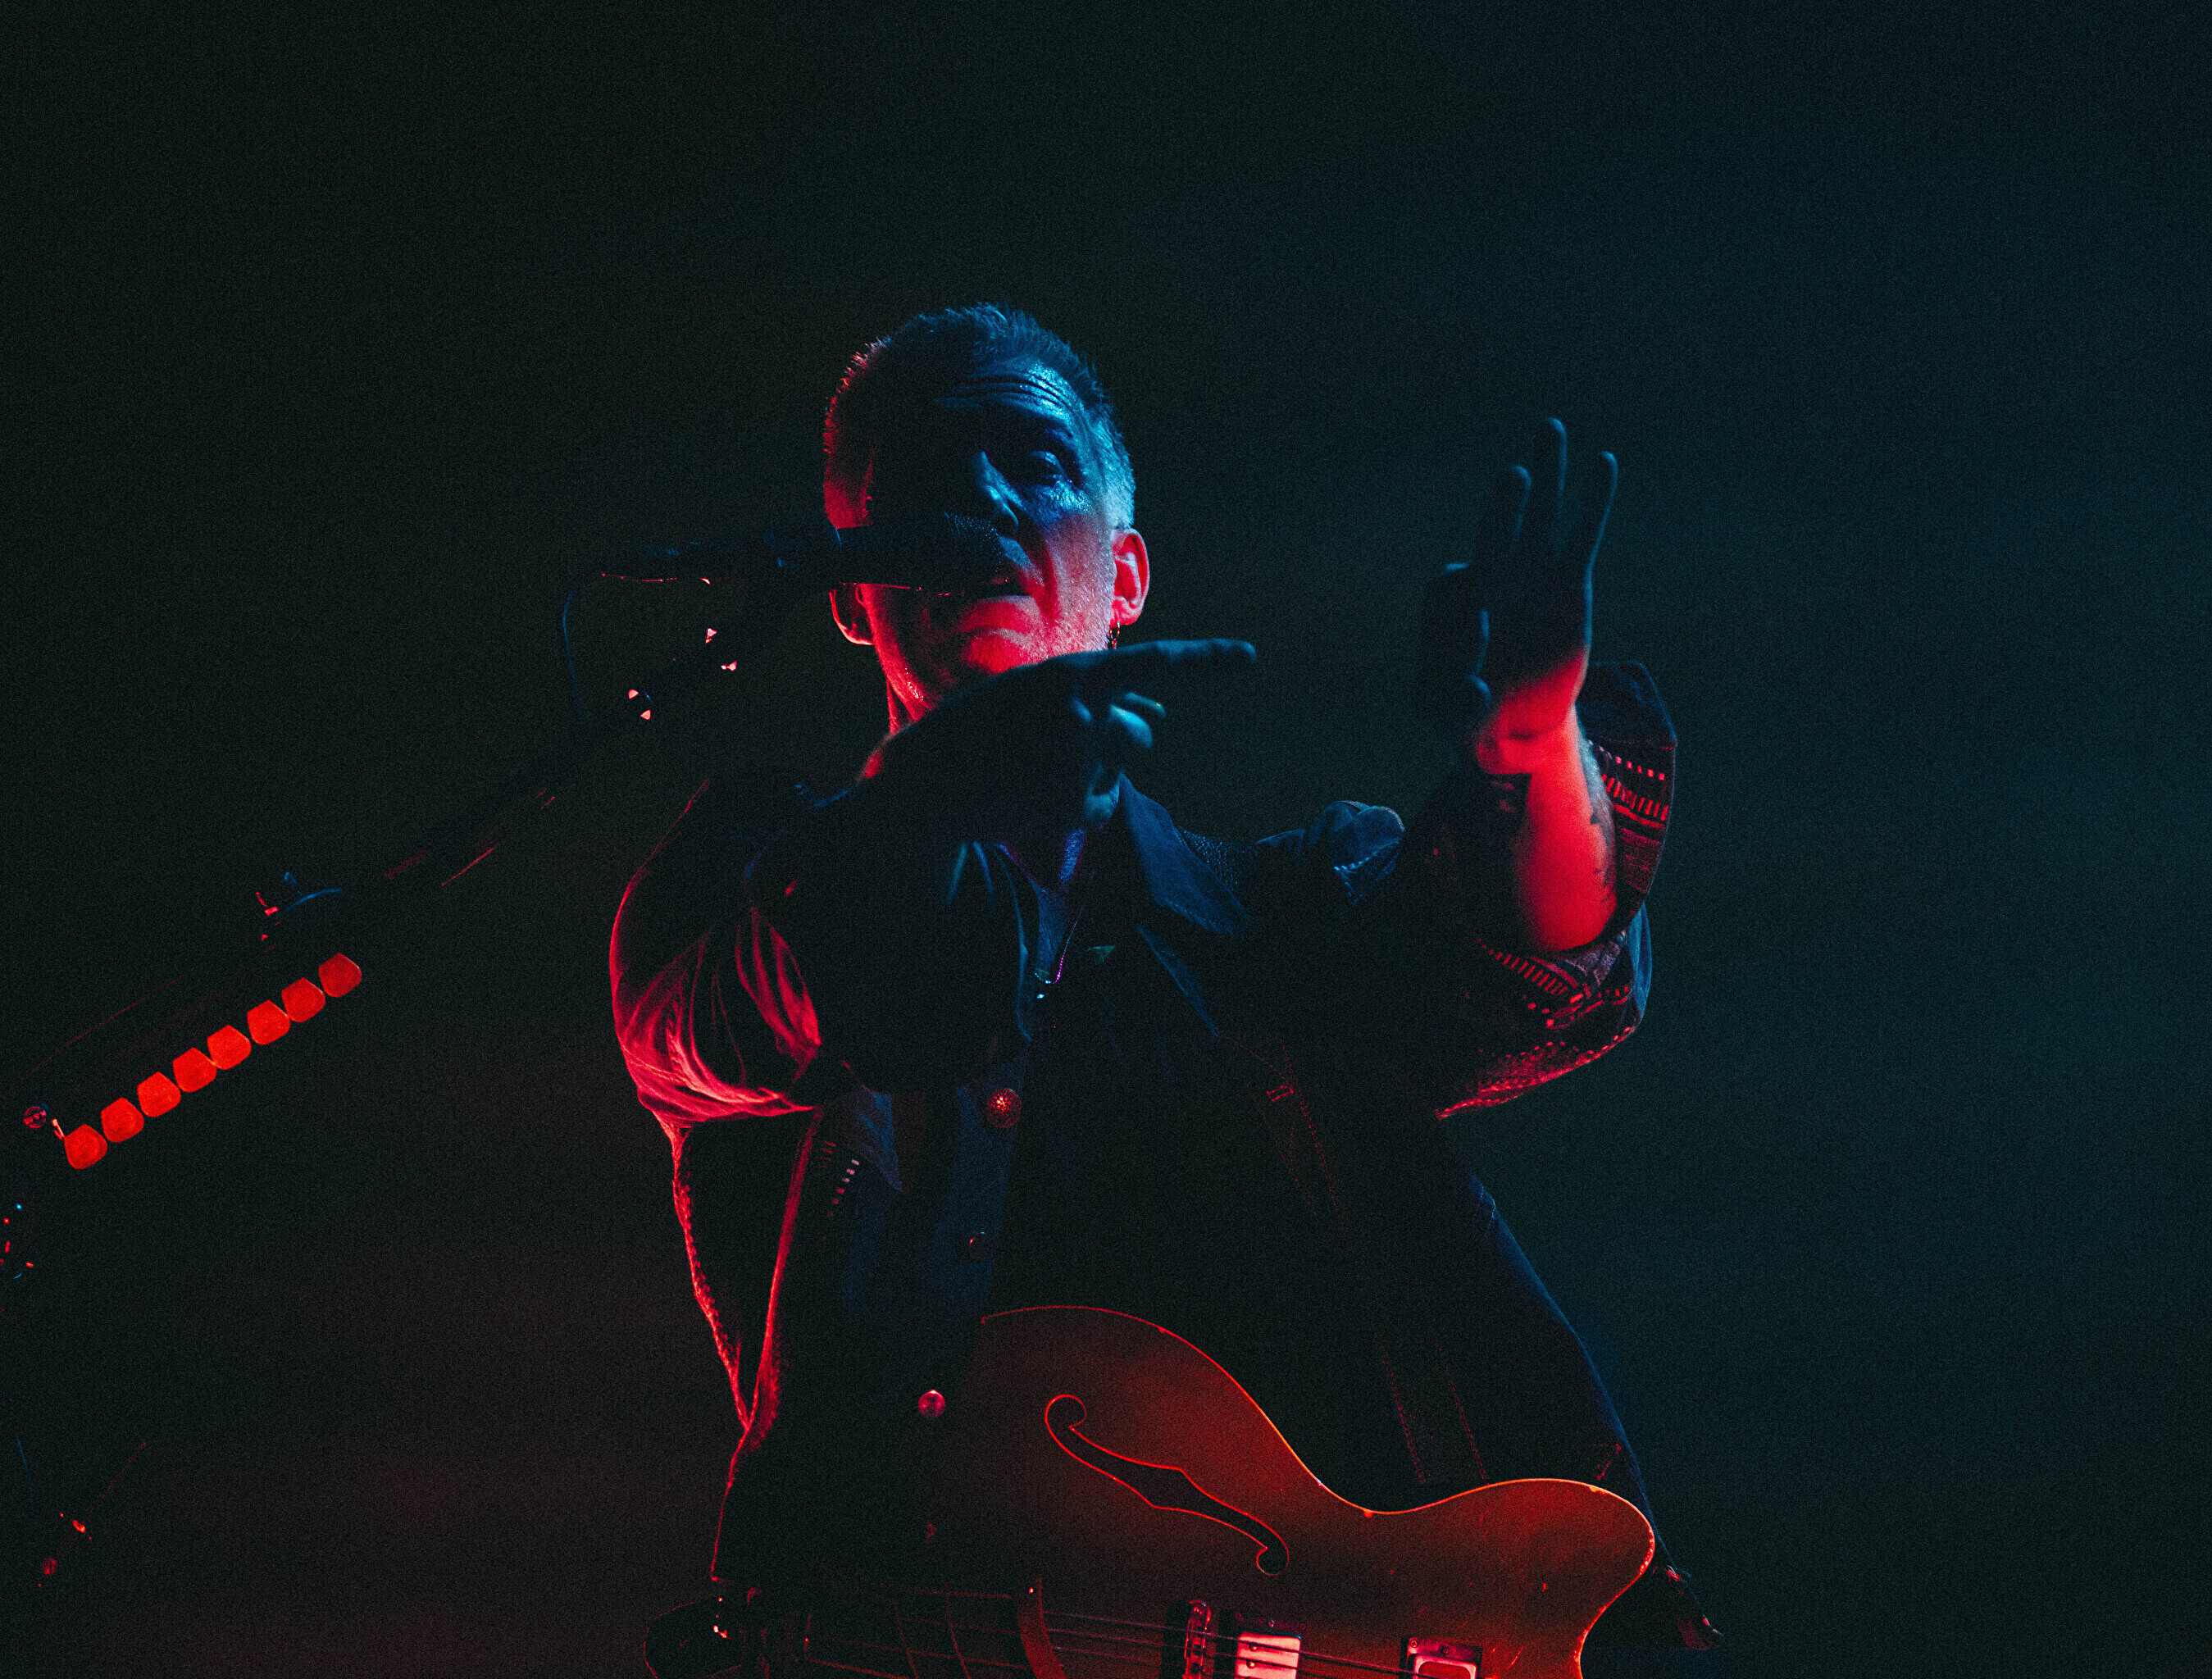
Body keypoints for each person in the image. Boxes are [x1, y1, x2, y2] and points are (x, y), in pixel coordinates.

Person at [610, 305, 1714, 1666]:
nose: (978, 498)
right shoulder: (754, 875)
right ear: (850, 595)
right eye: (922, 480)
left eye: (1033, 460)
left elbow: (1526, 965)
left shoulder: (1283, 920)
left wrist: (1534, 743)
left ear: (1126, 574)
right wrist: (924, 802)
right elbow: (740, 1023)